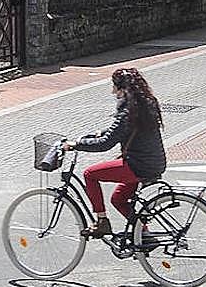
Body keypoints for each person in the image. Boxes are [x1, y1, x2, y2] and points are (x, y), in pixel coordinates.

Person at [63, 67, 167, 238]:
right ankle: (143, 233)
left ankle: (102, 221)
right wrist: (102, 131)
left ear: (123, 89)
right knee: (118, 199)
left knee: (89, 174)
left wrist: (76, 144)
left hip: (138, 166)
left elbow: (105, 144)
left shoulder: (128, 111)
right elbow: (121, 130)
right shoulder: (145, 104)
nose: (113, 92)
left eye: (114, 87)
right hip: (155, 163)